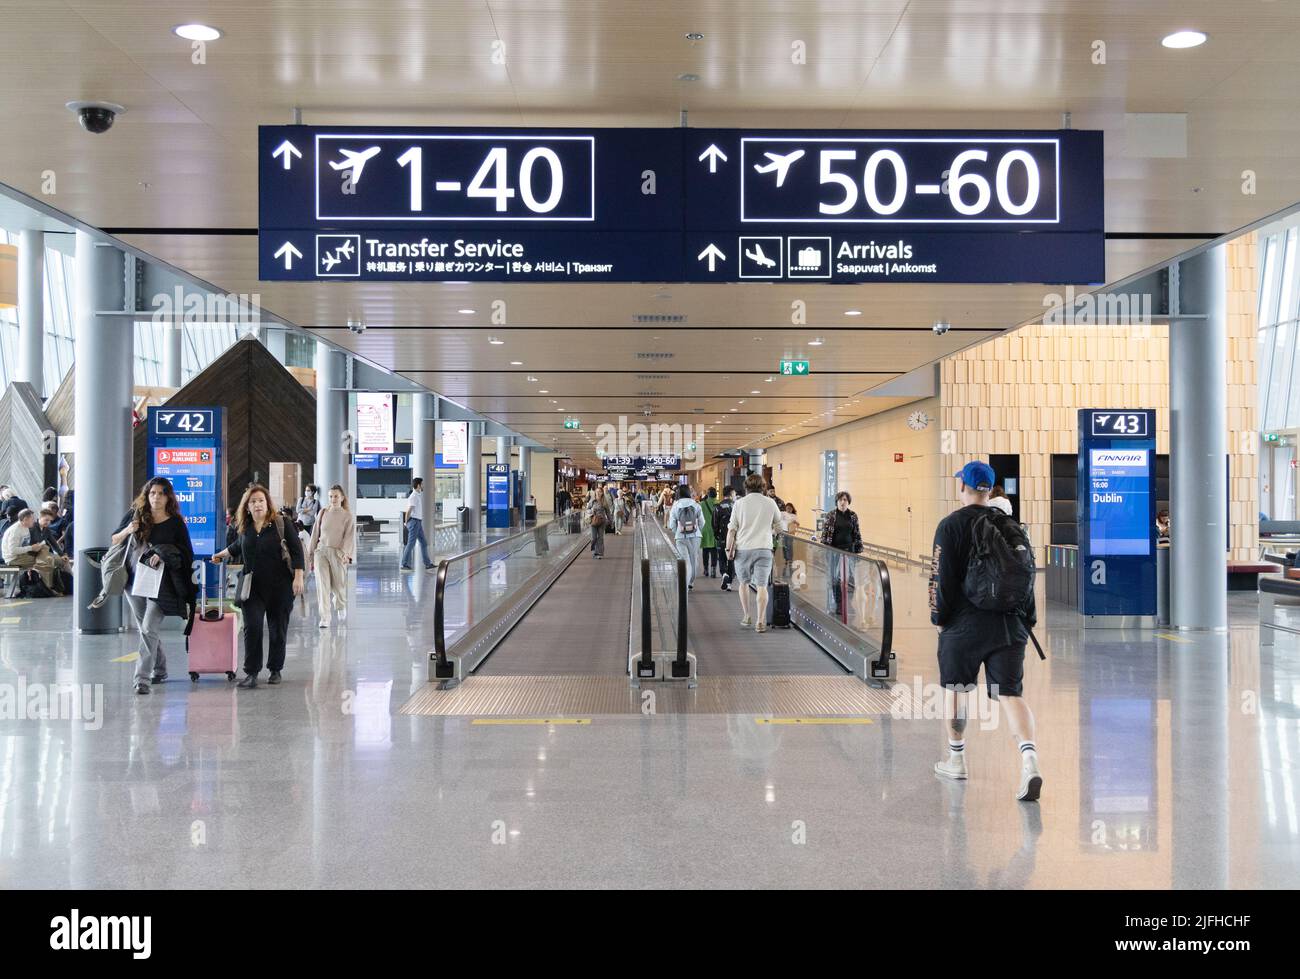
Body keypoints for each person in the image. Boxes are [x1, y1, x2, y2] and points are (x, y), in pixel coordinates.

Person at [930, 461, 1041, 802]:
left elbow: (941, 578)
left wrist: (940, 619)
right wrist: (1028, 620)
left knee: (957, 689)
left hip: (964, 624)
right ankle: (1029, 760)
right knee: (1011, 694)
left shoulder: (950, 526)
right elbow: (1027, 574)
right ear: (990, 489)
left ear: (962, 486)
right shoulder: (1010, 525)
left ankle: (957, 757)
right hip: (1009, 623)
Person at [213, 484, 306, 688]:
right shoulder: (245, 528)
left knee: (277, 629)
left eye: (261, 501)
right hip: (252, 587)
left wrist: (298, 577)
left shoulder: (281, 523)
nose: (257, 505)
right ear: (247, 506)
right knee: (252, 628)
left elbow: (297, 551)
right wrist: (222, 554)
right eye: (253, 501)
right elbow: (238, 546)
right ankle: (252, 673)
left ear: (267, 503)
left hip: (280, 586)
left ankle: (275, 669)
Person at [110, 478, 197, 694]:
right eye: (152, 493)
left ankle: (141, 679)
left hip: (162, 585)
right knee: (145, 630)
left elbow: (187, 553)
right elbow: (114, 539)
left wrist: (163, 553)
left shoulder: (176, 522)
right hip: (134, 581)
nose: (156, 497)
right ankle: (160, 669)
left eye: (161, 493)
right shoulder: (135, 515)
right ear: (147, 495)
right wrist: (128, 530)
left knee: (149, 628)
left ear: (168, 497)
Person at [725, 474, 783, 632]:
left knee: (743, 583)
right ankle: (760, 621)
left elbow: (732, 529)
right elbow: (780, 527)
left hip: (743, 549)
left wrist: (728, 549)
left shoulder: (739, 503)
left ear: (746, 487)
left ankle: (746, 616)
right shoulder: (770, 503)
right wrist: (771, 531)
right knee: (762, 586)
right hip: (764, 548)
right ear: (763, 487)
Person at [308, 484, 356, 628]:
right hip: (321, 552)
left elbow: (349, 537)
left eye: (336, 496)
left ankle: (340, 604)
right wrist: (311, 553)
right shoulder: (323, 512)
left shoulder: (347, 516)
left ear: (342, 498)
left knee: (339, 585)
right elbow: (315, 533)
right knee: (322, 586)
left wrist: (346, 554)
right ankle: (325, 617)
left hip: (338, 553)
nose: (333, 499)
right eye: (330, 496)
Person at [3, 509, 68, 595]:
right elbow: (12, 550)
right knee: (45, 561)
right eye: (32, 519)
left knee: (46, 554)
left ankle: (50, 587)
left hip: (23, 555)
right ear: (25, 519)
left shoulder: (25, 528)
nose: (34, 521)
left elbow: (53, 543)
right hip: (13, 558)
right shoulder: (16, 530)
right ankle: (48, 589)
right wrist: (31, 548)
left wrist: (34, 547)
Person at [820, 491, 864, 617]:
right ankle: (839, 603)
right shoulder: (831, 515)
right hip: (834, 551)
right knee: (835, 579)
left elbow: (857, 533)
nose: (843, 502)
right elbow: (825, 534)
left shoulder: (853, 515)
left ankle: (848, 602)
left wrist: (858, 549)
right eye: (840, 500)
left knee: (850, 579)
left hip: (849, 551)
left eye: (845, 500)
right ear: (837, 502)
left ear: (848, 502)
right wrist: (826, 549)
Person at [667, 484, 705, 590]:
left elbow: (672, 524)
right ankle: (691, 582)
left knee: (685, 561)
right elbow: (702, 522)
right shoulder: (696, 504)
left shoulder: (676, 505)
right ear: (689, 492)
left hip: (681, 537)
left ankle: (685, 584)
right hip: (695, 536)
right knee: (694, 559)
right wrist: (697, 531)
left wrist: (677, 532)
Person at [399, 477, 434, 572]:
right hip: (414, 522)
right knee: (411, 544)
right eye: (422, 484)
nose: (423, 486)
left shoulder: (417, 495)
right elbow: (409, 511)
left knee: (423, 543)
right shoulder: (413, 496)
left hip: (418, 522)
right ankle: (404, 564)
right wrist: (406, 522)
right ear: (418, 485)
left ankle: (428, 564)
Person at [713, 485, 736, 590]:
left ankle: (724, 574)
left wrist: (716, 534)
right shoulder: (736, 505)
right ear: (731, 494)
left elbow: (714, 523)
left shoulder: (718, 507)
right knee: (731, 558)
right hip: (735, 537)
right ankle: (730, 583)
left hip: (722, 536)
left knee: (722, 557)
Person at [700, 486, 719, 578]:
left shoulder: (702, 504)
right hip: (715, 530)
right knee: (714, 551)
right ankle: (713, 570)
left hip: (704, 530)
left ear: (708, 494)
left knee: (705, 551)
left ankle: (706, 569)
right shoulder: (718, 503)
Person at [586, 490, 611, 559]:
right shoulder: (592, 501)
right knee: (593, 538)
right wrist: (591, 511)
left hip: (602, 521)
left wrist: (610, 520)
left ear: (602, 493)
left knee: (600, 538)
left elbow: (608, 512)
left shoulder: (604, 502)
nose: (598, 492)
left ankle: (598, 553)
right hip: (593, 521)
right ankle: (594, 550)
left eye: (600, 491)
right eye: (597, 491)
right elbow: (587, 509)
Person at [780, 503, 800, 570]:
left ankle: (790, 559)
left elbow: (798, 524)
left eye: (790, 508)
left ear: (792, 509)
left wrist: (795, 522)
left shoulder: (794, 515)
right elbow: (779, 519)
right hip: (784, 532)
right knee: (784, 545)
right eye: (787, 508)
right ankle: (786, 558)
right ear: (785, 508)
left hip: (791, 532)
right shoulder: (783, 513)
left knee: (789, 545)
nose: (789, 509)